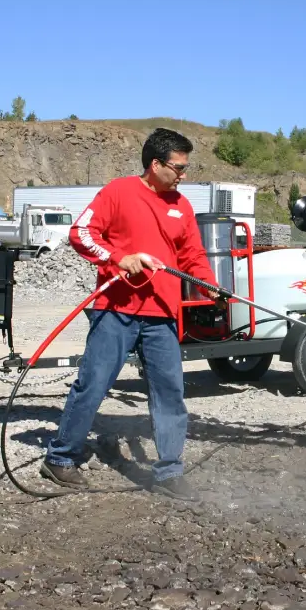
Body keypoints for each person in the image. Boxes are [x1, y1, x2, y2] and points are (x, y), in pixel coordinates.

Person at [41, 127, 220, 501]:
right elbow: (82, 233)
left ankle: (169, 472)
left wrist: (209, 285)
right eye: (178, 168)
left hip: (162, 316)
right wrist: (119, 258)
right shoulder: (118, 192)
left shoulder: (182, 206)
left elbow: (193, 258)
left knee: (170, 393)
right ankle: (60, 458)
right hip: (116, 311)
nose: (183, 175)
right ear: (155, 164)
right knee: (93, 384)